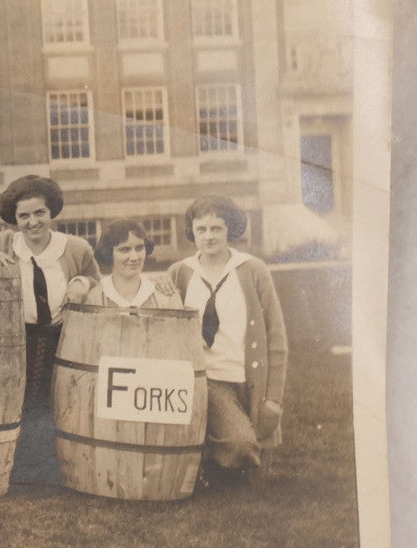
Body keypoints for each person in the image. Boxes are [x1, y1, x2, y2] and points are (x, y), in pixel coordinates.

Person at [0, 175, 100, 485]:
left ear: (51, 212)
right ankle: (23, 470)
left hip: (63, 338)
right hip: (19, 340)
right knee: (22, 402)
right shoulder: (5, 242)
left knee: (59, 401)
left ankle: (58, 470)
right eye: (24, 216)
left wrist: (82, 283)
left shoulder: (74, 247)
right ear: (15, 219)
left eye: (39, 213)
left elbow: (98, 281)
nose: (33, 222)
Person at [167, 195, 287, 485]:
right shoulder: (180, 272)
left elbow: (276, 337)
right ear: (192, 232)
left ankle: (209, 458)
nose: (209, 237)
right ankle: (214, 457)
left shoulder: (252, 269)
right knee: (242, 444)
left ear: (230, 229)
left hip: (247, 378)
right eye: (201, 230)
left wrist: (273, 398)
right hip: (207, 379)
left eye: (216, 229)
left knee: (256, 451)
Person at [83, 219, 182, 310]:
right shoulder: (93, 300)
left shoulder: (165, 296)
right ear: (108, 253)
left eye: (139, 248)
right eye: (125, 250)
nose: (134, 257)